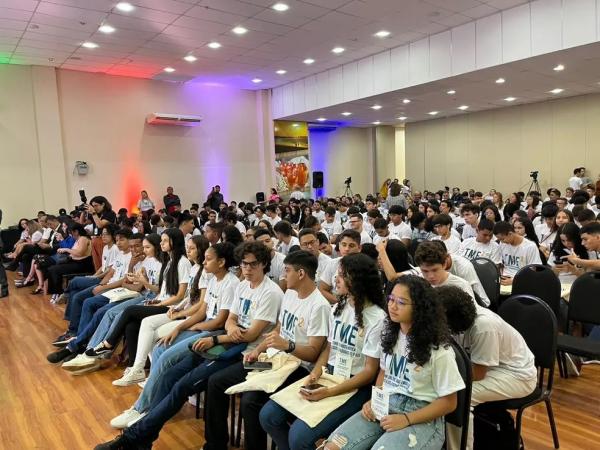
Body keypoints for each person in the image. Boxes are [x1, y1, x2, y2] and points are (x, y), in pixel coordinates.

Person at [93, 241, 284, 450]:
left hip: (247, 355)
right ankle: (141, 433)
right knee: (169, 374)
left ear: (264, 264)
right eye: (244, 265)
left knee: (185, 385)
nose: (246, 269)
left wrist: (217, 338)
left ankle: (133, 438)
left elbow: (251, 335)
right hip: (226, 343)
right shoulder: (242, 286)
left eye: (252, 265)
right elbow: (231, 319)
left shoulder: (271, 292)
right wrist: (230, 329)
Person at [320, 276, 465, 450]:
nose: (392, 306)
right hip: (388, 402)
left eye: (402, 302)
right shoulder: (391, 333)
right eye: (391, 299)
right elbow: (384, 372)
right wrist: (375, 399)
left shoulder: (439, 350)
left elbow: (449, 402)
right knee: (331, 446)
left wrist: (407, 419)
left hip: (422, 413)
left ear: (420, 308)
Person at [204, 250, 329, 450]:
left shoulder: (319, 305)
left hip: (298, 367)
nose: (283, 275)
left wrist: (287, 346)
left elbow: (313, 352)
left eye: (287, 271)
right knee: (216, 381)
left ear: (301, 273)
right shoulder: (290, 293)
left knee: (250, 402)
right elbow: (279, 329)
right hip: (275, 358)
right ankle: (215, 444)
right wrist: (258, 350)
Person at [260, 253, 386, 450]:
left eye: (342, 275)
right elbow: (329, 348)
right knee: (268, 416)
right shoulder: (339, 307)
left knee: (299, 437)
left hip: (354, 385)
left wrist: (328, 392)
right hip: (329, 375)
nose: (336, 278)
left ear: (358, 280)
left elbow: (369, 372)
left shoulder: (377, 318)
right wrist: (315, 373)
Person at [108, 242, 240, 428]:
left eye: (208, 259)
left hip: (211, 332)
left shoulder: (231, 283)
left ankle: (142, 409)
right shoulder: (212, 279)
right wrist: (179, 328)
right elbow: (202, 309)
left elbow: (219, 321)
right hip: (200, 326)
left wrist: (193, 327)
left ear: (222, 262)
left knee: (166, 358)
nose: (204, 262)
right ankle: (148, 404)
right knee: (160, 348)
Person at [439, 286, 537, 450]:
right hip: (492, 368)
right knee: (445, 389)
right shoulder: (459, 317)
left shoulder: (484, 326)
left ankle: (460, 447)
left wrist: (445, 377)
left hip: (518, 375)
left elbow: (478, 373)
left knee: (462, 396)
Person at [319, 230, 361, 304]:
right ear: (339, 245)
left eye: (351, 245)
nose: (347, 249)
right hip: (336, 305)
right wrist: (340, 303)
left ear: (359, 248)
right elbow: (322, 289)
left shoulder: (365, 266)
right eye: (344, 245)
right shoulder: (333, 263)